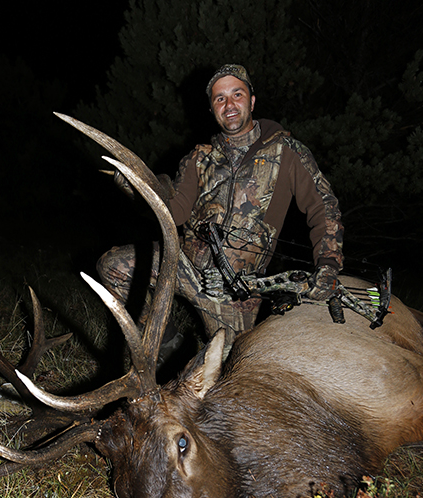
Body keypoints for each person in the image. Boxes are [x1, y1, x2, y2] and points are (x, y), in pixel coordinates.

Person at [97, 64, 344, 358]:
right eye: (220, 98)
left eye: (236, 95)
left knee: (234, 370)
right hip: (184, 266)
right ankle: (168, 347)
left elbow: (323, 206)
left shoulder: (287, 152)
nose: (229, 105)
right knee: (113, 266)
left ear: (252, 101)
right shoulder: (199, 158)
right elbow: (174, 213)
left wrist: (328, 263)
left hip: (237, 290)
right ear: (213, 108)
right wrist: (138, 189)